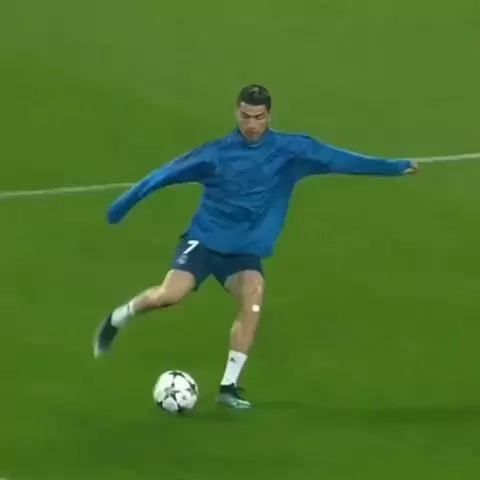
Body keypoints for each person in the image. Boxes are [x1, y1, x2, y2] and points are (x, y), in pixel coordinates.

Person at [93, 84, 418, 409]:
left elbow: (341, 160)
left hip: (243, 253)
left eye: (259, 117)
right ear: (237, 113)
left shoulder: (292, 151)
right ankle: (118, 318)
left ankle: (229, 387)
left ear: (269, 116)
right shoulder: (215, 154)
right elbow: (165, 174)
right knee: (169, 296)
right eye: (246, 116)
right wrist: (122, 205)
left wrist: (395, 166)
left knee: (254, 300)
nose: (252, 124)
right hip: (204, 242)